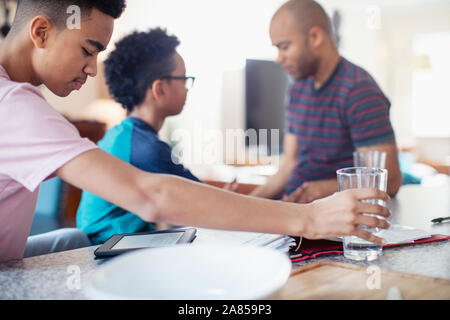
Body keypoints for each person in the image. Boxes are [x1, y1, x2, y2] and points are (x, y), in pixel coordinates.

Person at [0, 0, 391, 263]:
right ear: (40, 32)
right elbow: (154, 195)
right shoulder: (14, 105)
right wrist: (308, 219)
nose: (91, 69)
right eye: (88, 50)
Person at [77, 28, 226, 244]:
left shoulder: (118, 136)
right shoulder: (146, 149)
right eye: (184, 79)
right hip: (111, 256)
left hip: (108, 248)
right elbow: (211, 206)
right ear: (160, 89)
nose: (187, 88)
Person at [250, 0, 403, 203]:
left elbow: (388, 181)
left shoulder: (358, 90)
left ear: (315, 37)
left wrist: (325, 189)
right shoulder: (297, 89)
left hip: (328, 218)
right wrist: (241, 203)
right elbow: (289, 164)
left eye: (284, 47)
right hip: (292, 210)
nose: (279, 58)